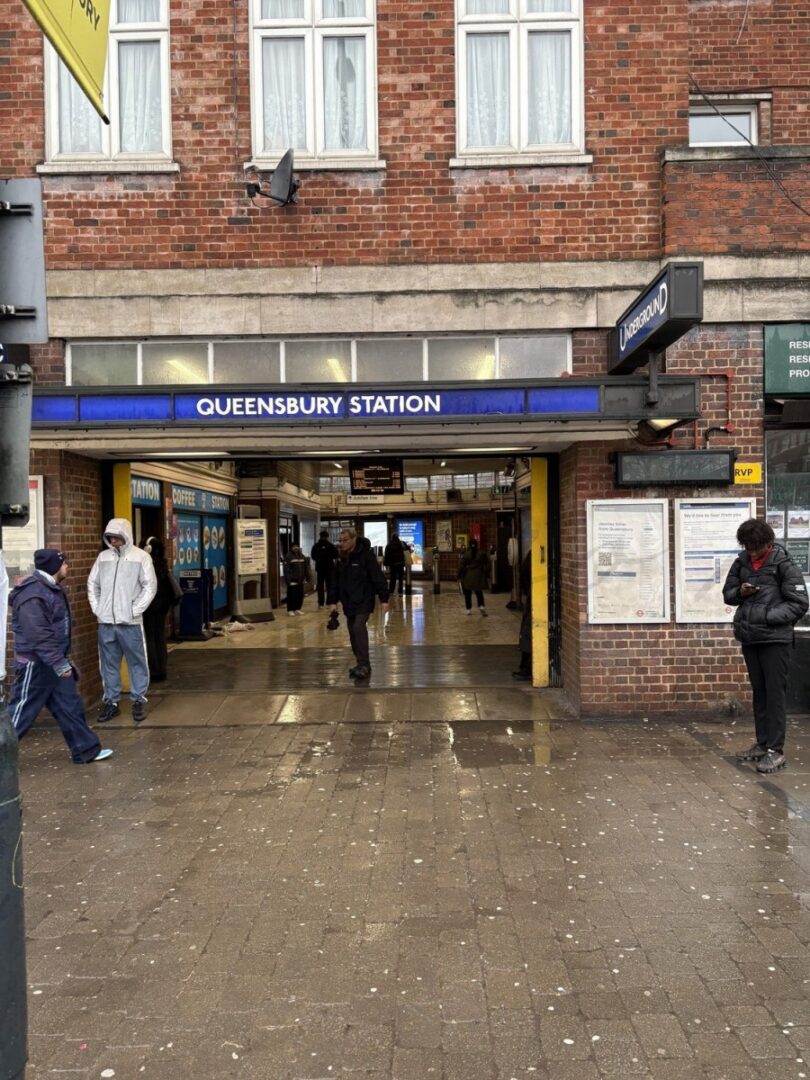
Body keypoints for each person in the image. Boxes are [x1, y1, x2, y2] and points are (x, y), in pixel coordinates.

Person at [9, 549, 112, 763]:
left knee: (69, 706)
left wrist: (63, 660)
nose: (67, 566)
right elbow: (38, 634)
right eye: (64, 563)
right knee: (19, 713)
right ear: (54, 567)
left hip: (54, 661)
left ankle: (86, 750)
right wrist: (59, 663)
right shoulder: (33, 594)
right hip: (36, 664)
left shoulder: (50, 588)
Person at [723, 518, 808, 773]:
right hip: (750, 638)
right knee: (759, 693)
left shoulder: (784, 563)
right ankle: (762, 744)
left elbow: (799, 603)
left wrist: (767, 616)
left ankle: (775, 750)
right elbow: (728, 593)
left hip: (775, 640)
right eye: (747, 547)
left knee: (774, 694)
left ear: (767, 543)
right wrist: (741, 592)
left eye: (755, 547)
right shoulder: (742, 562)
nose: (751, 552)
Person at [88, 518, 157, 723]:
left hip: (130, 623)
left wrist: (134, 611)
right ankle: (112, 702)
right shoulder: (103, 558)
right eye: (110, 537)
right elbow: (93, 584)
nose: (113, 541)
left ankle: (138, 701)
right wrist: (98, 608)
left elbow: (150, 586)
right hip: (106, 622)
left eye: (117, 537)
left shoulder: (141, 557)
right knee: (108, 665)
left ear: (126, 536)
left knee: (137, 663)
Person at [328, 527, 389, 680]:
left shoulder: (366, 556)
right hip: (348, 601)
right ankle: (361, 662)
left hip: (364, 599)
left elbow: (377, 576)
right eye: (340, 541)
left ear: (354, 539)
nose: (342, 543)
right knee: (352, 631)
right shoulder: (341, 558)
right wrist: (333, 601)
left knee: (358, 627)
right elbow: (334, 580)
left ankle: (364, 664)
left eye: (345, 540)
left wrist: (384, 599)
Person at [141, 537, 179, 681]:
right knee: (160, 636)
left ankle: (154, 671)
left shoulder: (145, 566)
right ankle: (162, 669)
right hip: (163, 606)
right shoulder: (163, 565)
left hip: (150, 606)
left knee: (150, 637)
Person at [513, 549, 532, 680]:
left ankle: (527, 667)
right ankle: (527, 666)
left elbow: (524, 573)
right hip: (536, 596)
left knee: (528, 632)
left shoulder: (533, 554)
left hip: (533, 596)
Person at [458, 540, 489, 616]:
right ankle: (481, 606)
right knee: (479, 592)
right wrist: (486, 572)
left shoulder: (466, 554)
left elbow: (461, 566)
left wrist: (458, 575)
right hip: (479, 575)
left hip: (468, 575)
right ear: (477, 545)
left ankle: (468, 609)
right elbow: (487, 563)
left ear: (469, 545)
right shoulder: (482, 553)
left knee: (467, 593)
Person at [310, 530, 338, 608]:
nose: (324, 538)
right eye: (324, 537)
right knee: (328, 586)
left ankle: (321, 603)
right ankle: (327, 602)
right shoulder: (330, 545)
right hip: (327, 568)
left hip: (322, 568)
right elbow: (336, 555)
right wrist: (329, 559)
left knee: (322, 586)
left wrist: (319, 560)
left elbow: (313, 556)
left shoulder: (317, 546)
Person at [283, 543, 310, 615]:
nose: (296, 548)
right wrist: (288, 581)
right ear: (291, 548)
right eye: (294, 546)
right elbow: (286, 570)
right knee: (291, 595)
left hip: (300, 580)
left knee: (299, 595)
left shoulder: (302, 556)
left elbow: (306, 567)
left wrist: (308, 577)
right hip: (292, 580)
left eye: (297, 546)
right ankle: (290, 610)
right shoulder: (288, 556)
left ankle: (297, 609)